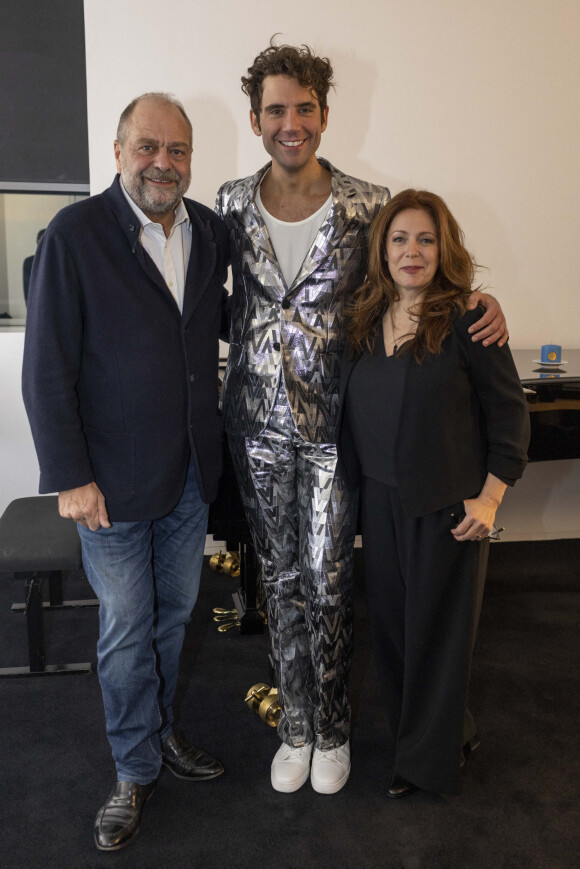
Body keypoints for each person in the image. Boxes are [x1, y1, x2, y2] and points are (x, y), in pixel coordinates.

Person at [215, 40, 508, 796]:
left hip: (337, 428)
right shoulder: (227, 202)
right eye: (276, 108)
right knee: (275, 580)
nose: (291, 122)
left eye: (304, 108)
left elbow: (417, 271)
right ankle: (298, 725)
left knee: (331, 577)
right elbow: (216, 305)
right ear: (255, 118)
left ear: (323, 114)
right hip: (255, 425)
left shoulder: (368, 203)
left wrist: (480, 299)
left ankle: (337, 727)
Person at [22, 93, 229, 851]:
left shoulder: (209, 233)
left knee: (173, 620)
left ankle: (162, 732)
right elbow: (45, 368)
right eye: (148, 147)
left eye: (177, 151)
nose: (163, 163)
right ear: (117, 152)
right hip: (107, 485)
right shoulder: (75, 234)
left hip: (187, 476)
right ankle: (133, 769)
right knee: (123, 628)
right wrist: (69, 476)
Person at [339, 189, 530, 797]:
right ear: (383, 250)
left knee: (438, 638)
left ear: (443, 249)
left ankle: (423, 767)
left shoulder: (470, 318)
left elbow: (510, 417)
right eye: (399, 239)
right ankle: (438, 732)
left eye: (425, 239)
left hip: (449, 506)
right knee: (393, 633)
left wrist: (490, 500)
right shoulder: (364, 320)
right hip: (381, 500)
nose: (412, 251)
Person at [23, 228, 45, 305]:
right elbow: (27, 286)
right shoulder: (29, 262)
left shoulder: (57, 261)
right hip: (35, 303)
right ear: (37, 241)